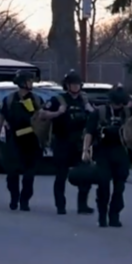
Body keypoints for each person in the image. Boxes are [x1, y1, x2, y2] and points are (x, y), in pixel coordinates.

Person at [83, 85, 132, 227]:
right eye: (116, 102)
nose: (118, 106)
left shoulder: (128, 113)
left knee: (119, 188)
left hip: (122, 152)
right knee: (103, 185)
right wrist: (85, 150)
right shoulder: (100, 112)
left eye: (121, 102)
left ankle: (114, 215)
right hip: (103, 152)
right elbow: (89, 132)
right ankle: (102, 215)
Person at [47, 70, 95, 215]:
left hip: (79, 143)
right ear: (67, 85)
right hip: (62, 141)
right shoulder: (58, 100)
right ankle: (60, 205)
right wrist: (57, 113)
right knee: (61, 175)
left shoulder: (84, 101)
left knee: (85, 174)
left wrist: (91, 110)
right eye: (73, 84)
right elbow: (42, 114)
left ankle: (82, 205)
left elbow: (94, 118)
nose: (75, 86)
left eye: (78, 84)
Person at [1, 71, 44, 211]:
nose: (31, 83)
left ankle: (25, 200)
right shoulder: (9, 99)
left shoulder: (37, 99)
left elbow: (43, 118)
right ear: (21, 82)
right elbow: (1, 117)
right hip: (14, 140)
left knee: (29, 175)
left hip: (32, 141)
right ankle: (14, 198)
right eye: (29, 81)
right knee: (12, 173)